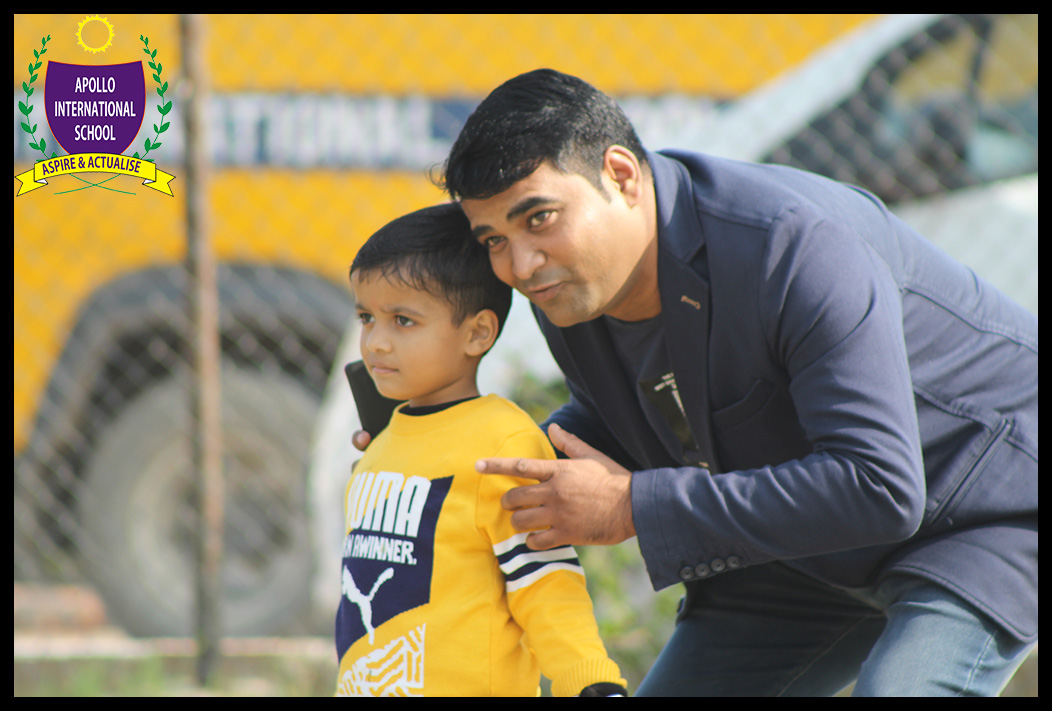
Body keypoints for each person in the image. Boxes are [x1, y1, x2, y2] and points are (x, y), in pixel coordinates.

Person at [432, 68, 1037, 696]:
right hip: (802, 546)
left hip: (984, 512)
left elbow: (879, 486)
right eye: (494, 239)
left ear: (620, 174)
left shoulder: (790, 244)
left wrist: (632, 505)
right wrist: (449, 457)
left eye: (539, 219)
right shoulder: (569, 280)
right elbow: (619, 416)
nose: (521, 265)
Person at [335, 203, 627, 697]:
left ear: (478, 333)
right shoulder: (381, 444)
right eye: (367, 317)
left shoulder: (502, 443)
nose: (376, 343)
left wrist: (589, 679)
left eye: (403, 321)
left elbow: (544, 581)